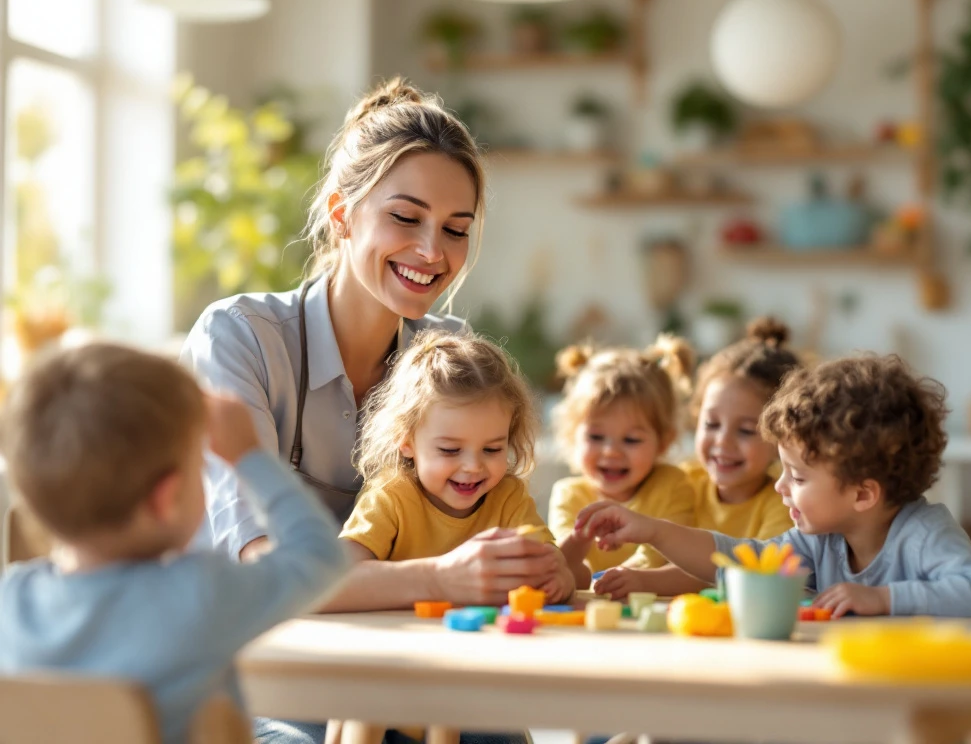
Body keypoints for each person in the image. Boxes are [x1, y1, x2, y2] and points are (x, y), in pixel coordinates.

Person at [180, 77, 546, 744]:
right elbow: (264, 568)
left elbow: (486, 519)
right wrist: (441, 575)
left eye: (456, 230)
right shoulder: (240, 338)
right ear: (342, 212)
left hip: (411, 673)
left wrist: (539, 563)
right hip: (257, 678)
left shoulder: (449, 354)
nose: (433, 252)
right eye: (405, 218)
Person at [0, 343, 346, 744]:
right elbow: (322, 556)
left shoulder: (11, 602)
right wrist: (249, 456)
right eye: (200, 466)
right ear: (166, 499)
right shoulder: (198, 596)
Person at [576, 354, 971, 618]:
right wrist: (653, 531)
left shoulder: (923, 533)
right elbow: (739, 560)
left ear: (863, 494)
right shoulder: (819, 540)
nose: (781, 487)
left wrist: (882, 598)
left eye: (798, 476)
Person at [334, 330, 575, 610]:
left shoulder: (508, 497)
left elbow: (552, 567)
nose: (473, 467)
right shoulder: (391, 496)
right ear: (406, 441)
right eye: (450, 450)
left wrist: (560, 580)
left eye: (492, 449)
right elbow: (331, 580)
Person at [593, 318, 799, 599]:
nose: (722, 442)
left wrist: (647, 582)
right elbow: (649, 551)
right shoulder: (679, 481)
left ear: (782, 437)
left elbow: (747, 574)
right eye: (712, 424)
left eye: (746, 430)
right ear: (696, 418)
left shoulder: (785, 504)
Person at [546, 336, 697, 592]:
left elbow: (668, 557)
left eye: (631, 439)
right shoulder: (569, 494)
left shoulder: (673, 485)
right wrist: (581, 536)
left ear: (663, 441)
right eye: (596, 437)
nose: (611, 452)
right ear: (573, 434)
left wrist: (628, 576)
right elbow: (560, 564)